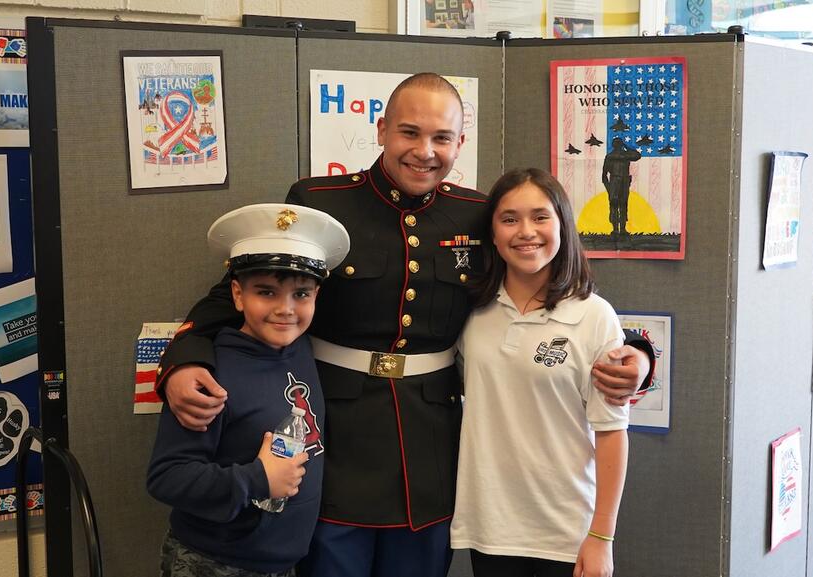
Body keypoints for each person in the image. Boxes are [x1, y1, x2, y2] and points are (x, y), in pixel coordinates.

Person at [155, 73, 652, 577]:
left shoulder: (477, 214)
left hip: (430, 447)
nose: (425, 151)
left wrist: (635, 352)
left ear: (460, 142)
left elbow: (541, 290)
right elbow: (241, 293)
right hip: (337, 440)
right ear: (382, 130)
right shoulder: (321, 202)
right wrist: (182, 359)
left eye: (442, 137)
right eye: (409, 133)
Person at [147, 203, 350, 577]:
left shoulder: (302, 349)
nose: (285, 309)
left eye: (301, 294)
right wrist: (257, 479)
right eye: (266, 292)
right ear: (237, 295)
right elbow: (167, 476)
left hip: (285, 561)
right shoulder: (210, 376)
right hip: (215, 563)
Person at [452, 168, 629, 577]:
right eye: (509, 219)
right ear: (492, 233)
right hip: (490, 529)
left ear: (562, 224)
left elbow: (611, 432)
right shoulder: (472, 312)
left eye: (540, 217)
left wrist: (602, 537)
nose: (526, 232)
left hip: (567, 533)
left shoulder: (594, 316)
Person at [601, 138, 641, 235]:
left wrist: (608, 187)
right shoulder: (620, 156)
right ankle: (617, 229)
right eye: (619, 144)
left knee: (620, 204)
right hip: (616, 181)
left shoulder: (616, 156)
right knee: (617, 205)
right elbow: (604, 175)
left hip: (622, 181)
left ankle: (621, 229)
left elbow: (637, 156)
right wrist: (608, 188)